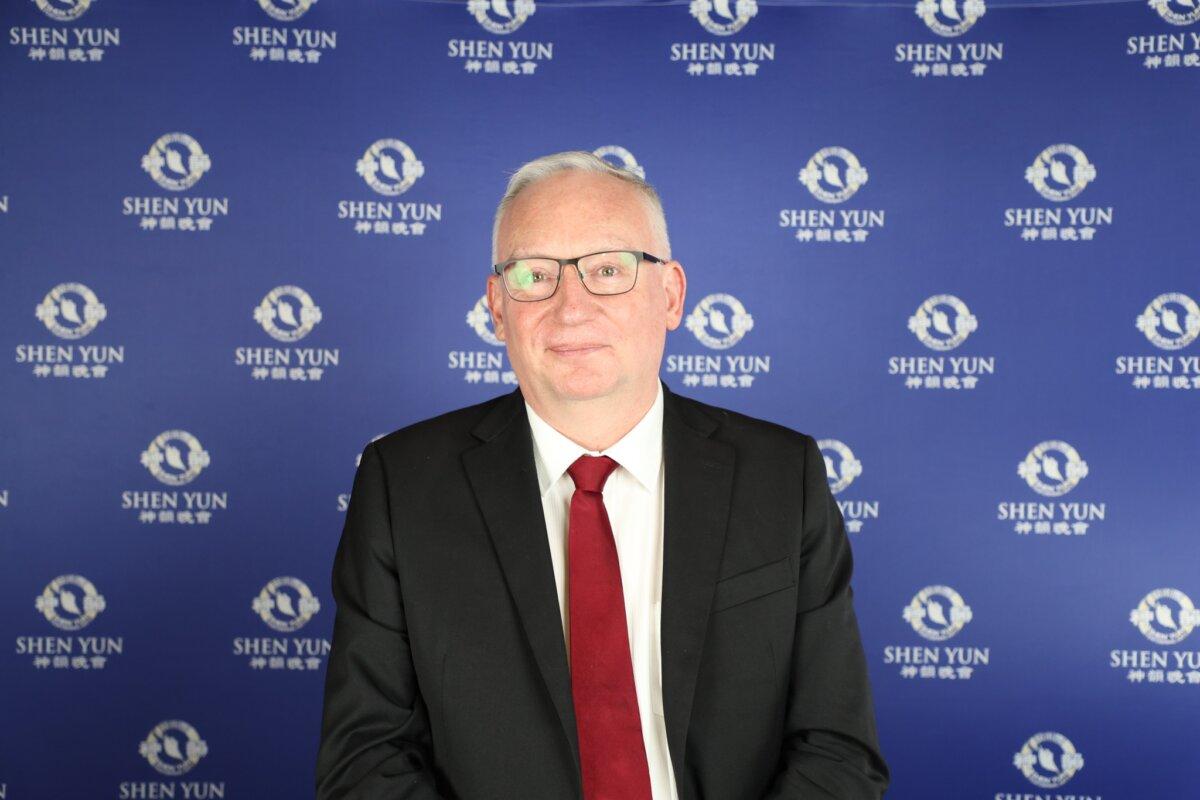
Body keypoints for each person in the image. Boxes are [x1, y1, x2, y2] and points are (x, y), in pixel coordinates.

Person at [316, 151, 889, 799]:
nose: (571, 308)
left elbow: (836, 748)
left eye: (608, 270)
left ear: (670, 294)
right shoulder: (402, 486)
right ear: (497, 307)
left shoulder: (783, 477)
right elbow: (365, 760)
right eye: (534, 275)